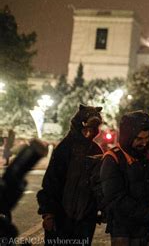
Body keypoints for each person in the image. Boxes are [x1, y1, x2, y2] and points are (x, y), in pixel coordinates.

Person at [100, 110, 149, 246]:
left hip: (148, 231)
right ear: (128, 137)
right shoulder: (113, 159)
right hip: (124, 232)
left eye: (147, 138)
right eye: (139, 139)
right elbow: (117, 200)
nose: (144, 143)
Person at [37, 105, 104, 246]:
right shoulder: (64, 148)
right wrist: (48, 213)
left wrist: (100, 209)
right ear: (79, 125)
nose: (90, 132)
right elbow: (51, 182)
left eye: (94, 128)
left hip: (85, 220)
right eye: (87, 127)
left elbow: (99, 184)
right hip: (61, 217)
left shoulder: (96, 150)